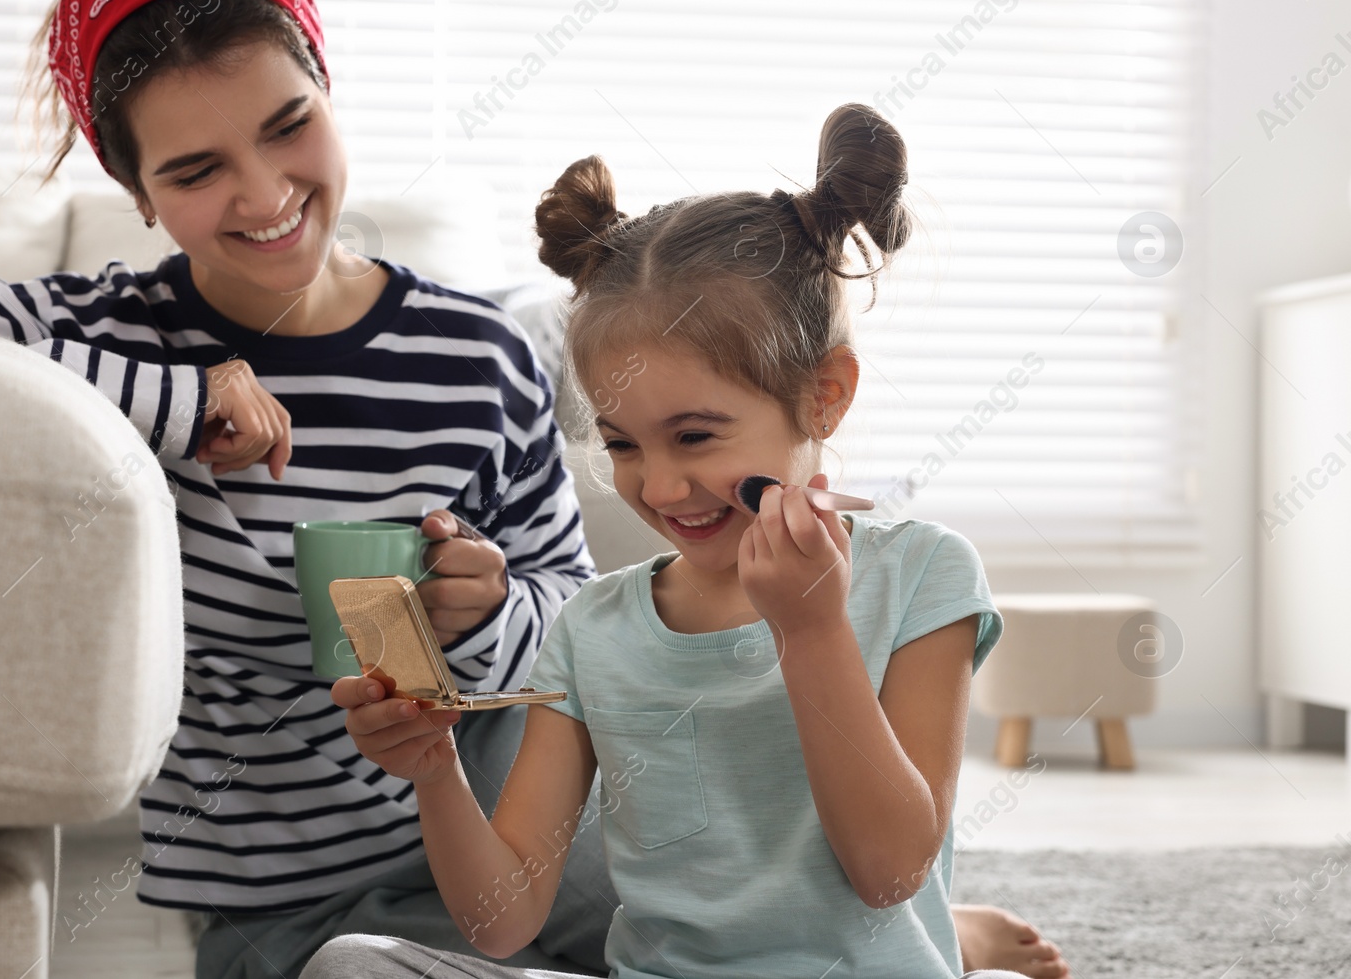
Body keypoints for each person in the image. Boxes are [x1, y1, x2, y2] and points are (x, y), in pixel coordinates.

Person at [0, 0, 1067, 977]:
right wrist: (174, 401)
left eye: (287, 127)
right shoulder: (93, 335)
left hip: (534, 830)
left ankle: (915, 930)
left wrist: (489, 612)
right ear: (136, 189)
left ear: (328, 89)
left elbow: (592, 619)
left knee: (727, 900)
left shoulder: (478, 353)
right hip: (288, 894)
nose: (266, 196)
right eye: (198, 169)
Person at [312, 103, 1059, 979]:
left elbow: (889, 869)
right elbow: (503, 921)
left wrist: (812, 631)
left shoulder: (923, 573)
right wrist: (436, 770)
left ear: (824, 395)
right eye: (623, 444)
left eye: (696, 436)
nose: (658, 488)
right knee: (350, 968)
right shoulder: (594, 627)